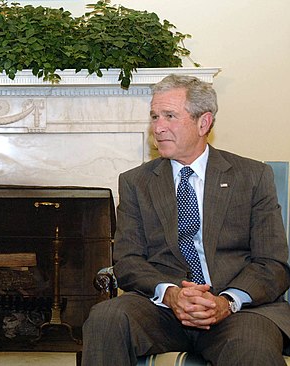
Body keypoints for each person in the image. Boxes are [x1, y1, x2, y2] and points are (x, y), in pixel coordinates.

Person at [82, 74, 290, 365]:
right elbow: (128, 260)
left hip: (237, 311)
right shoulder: (136, 182)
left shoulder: (252, 176)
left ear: (203, 123)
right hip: (162, 311)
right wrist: (171, 295)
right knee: (106, 318)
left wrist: (226, 301)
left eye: (169, 116)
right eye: (154, 116)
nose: (158, 127)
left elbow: (272, 263)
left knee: (252, 345)